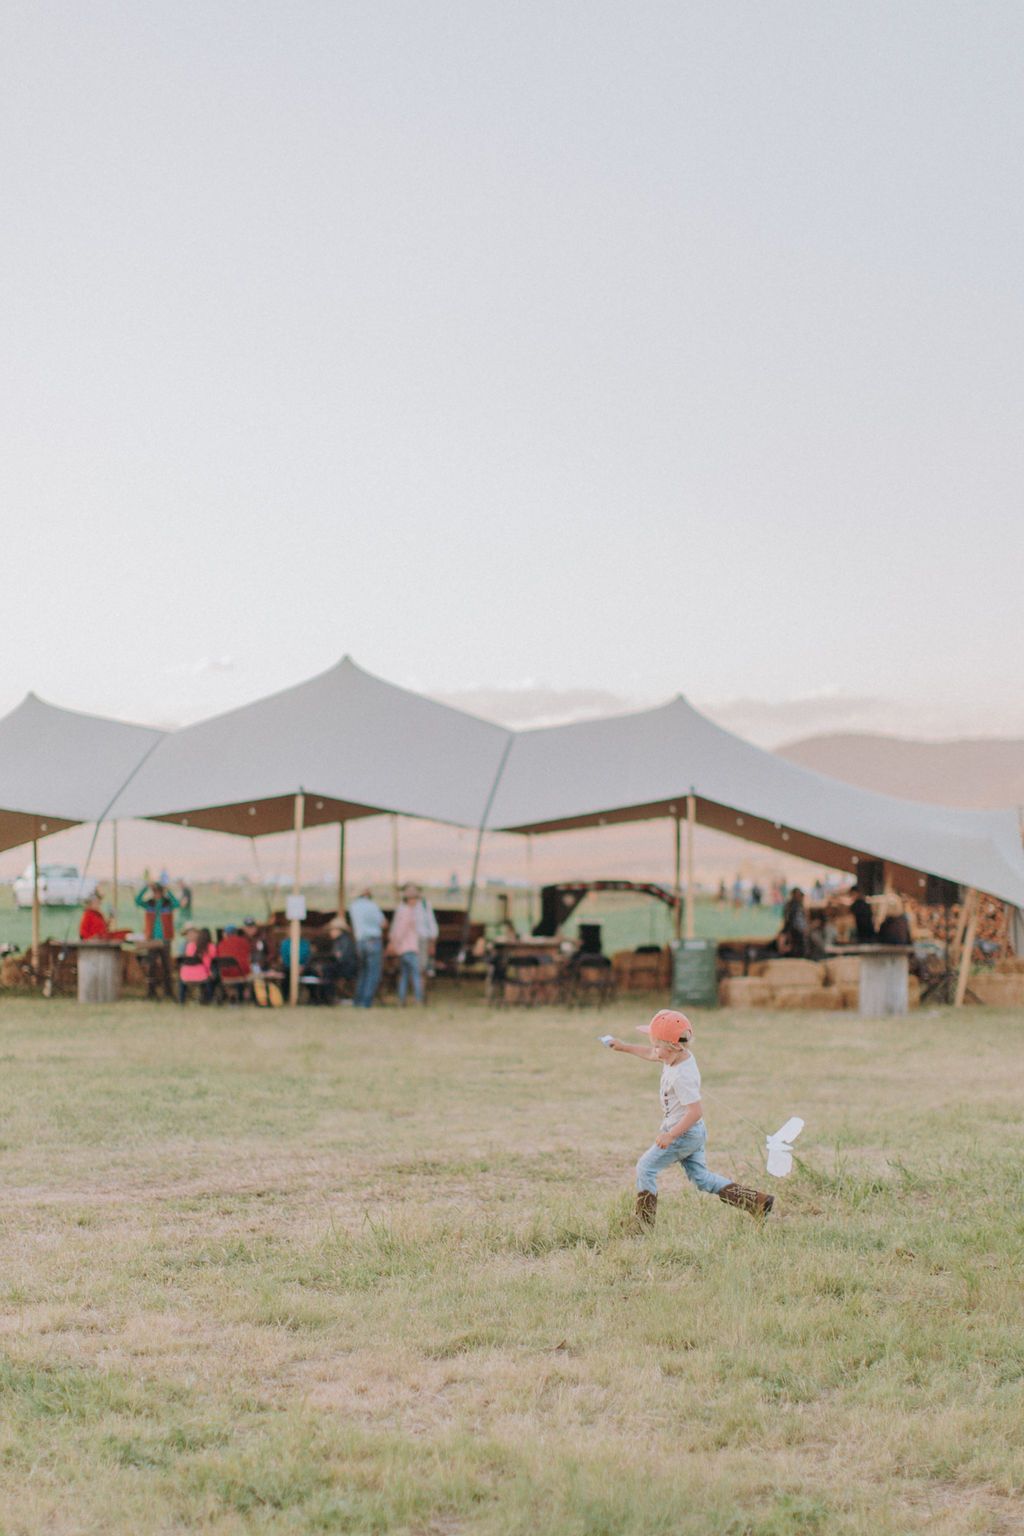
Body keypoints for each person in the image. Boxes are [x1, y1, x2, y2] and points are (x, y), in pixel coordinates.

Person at [606, 1009, 774, 1228]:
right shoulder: (675, 1056)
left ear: (674, 1046)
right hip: (693, 1132)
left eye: (658, 1045)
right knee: (702, 1178)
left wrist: (670, 1135)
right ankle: (758, 1202)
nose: (655, 1050)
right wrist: (623, 1047)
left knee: (645, 1168)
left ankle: (643, 1223)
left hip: (684, 1133)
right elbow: (650, 1053)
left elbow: (695, 1112)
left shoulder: (682, 1075)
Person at [349, 886, 387, 1008]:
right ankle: (366, 1001)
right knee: (373, 972)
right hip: (372, 940)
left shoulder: (353, 907)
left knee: (363, 971)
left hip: (360, 941)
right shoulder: (372, 906)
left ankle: (358, 999)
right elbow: (383, 923)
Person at [389, 887, 425, 1005]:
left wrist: (395, 944)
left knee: (404, 975)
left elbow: (395, 930)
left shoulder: (401, 910)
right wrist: (396, 943)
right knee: (415, 974)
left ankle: (401, 999)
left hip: (403, 948)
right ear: (409, 899)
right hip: (409, 947)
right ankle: (418, 999)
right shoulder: (407, 912)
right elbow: (401, 930)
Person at [404, 882, 439, 979]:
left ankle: (419, 991)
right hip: (409, 940)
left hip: (422, 938)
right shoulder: (404, 906)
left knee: (422, 965)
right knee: (410, 966)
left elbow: (431, 922)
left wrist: (432, 940)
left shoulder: (424, 904)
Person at [178, 927, 216, 1003]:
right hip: (202, 975)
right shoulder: (211, 946)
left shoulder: (190, 945)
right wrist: (209, 973)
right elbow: (211, 960)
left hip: (186, 975)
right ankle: (209, 999)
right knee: (211, 980)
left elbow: (188, 960)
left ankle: (181, 1001)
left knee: (182, 982)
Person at [135, 880, 180, 945]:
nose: (157, 894)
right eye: (155, 891)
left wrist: (169, 891)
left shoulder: (167, 904)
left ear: (163, 892)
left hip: (166, 937)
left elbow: (177, 904)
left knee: (165, 955)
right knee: (151, 954)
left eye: (159, 891)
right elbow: (137, 901)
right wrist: (146, 887)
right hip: (151, 936)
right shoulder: (149, 904)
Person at [777, 888, 808, 957]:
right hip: (795, 931)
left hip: (792, 930)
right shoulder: (795, 906)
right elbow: (797, 922)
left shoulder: (790, 905)